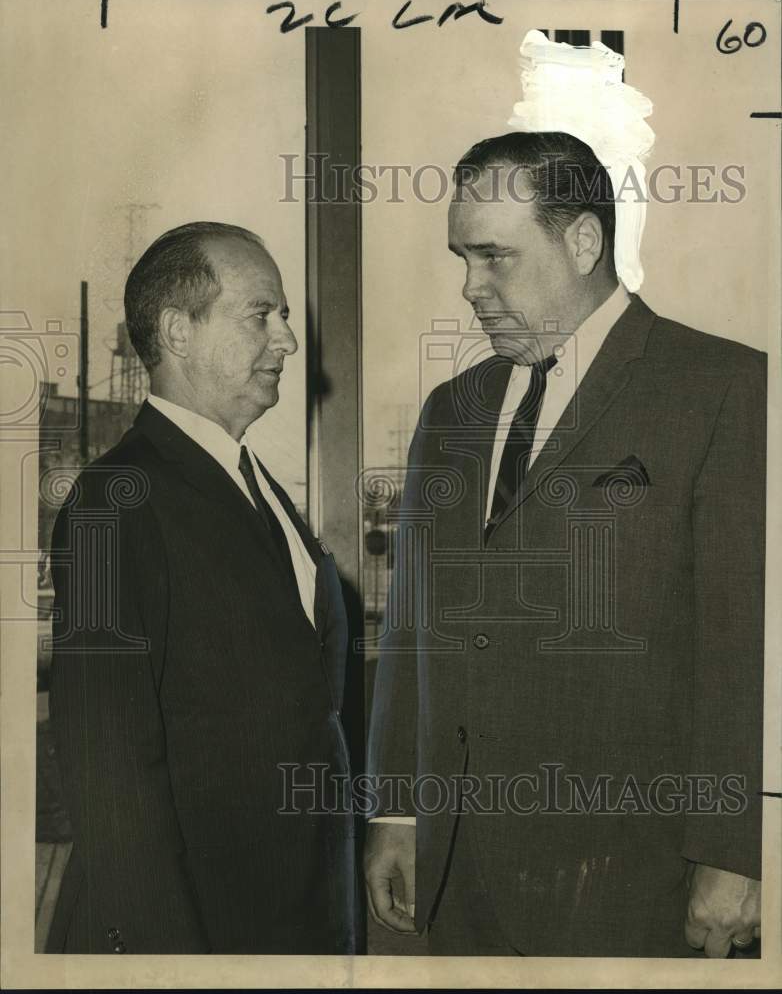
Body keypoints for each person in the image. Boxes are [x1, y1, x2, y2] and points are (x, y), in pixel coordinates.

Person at [365, 132, 765, 957]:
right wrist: (397, 809)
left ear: (583, 240)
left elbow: (745, 643)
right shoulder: (452, 409)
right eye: (460, 257)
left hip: (631, 877)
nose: (469, 286)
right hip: (458, 873)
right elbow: (414, 628)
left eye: (493, 257)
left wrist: (735, 851)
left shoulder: (725, 387)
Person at [47, 222, 357, 954]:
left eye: (284, 317)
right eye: (262, 314)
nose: (286, 340)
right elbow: (105, 763)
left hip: (284, 922)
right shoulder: (112, 500)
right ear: (177, 332)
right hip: (191, 935)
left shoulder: (252, 485)